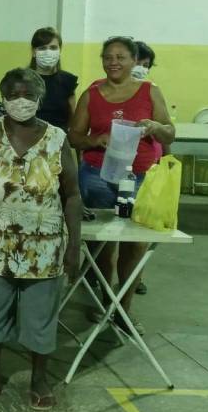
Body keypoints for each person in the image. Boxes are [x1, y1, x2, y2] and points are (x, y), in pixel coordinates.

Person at [0, 68, 82, 411]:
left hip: (45, 246)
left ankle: (39, 377)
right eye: (14, 94)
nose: (21, 101)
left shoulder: (57, 138)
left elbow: (72, 195)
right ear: (3, 97)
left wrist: (74, 245)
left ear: (40, 98)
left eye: (28, 95)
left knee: (40, 315)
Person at [68, 37, 175, 334]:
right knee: (103, 242)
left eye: (121, 57)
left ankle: (124, 309)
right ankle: (107, 301)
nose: (114, 62)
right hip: (97, 175)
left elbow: (170, 133)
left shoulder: (150, 91)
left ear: (133, 60)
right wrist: (95, 139)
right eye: (108, 57)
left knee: (136, 242)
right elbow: (74, 136)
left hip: (140, 177)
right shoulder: (91, 94)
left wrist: (155, 127)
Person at [131, 40, 164, 296]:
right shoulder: (104, 91)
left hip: (148, 166)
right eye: (138, 63)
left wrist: (166, 161)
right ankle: (99, 274)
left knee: (141, 227)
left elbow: (166, 130)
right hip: (114, 169)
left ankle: (134, 277)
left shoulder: (153, 92)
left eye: (146, 65)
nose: (141, 69)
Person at [29, 26, 79, 131]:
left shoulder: (68, 81)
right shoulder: (23, 80)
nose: (48, 52)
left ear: (60, 50)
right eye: (42, 48)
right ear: (34, 52)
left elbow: (73, 117)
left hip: (59, 137)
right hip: (29, 136)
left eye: (53, 48)